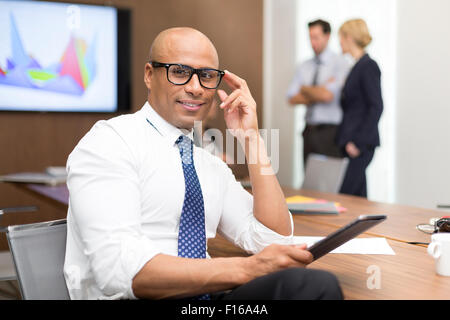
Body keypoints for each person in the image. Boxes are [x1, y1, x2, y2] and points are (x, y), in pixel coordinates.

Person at [63, 27, 343, 300]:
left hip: (202, 301)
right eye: (180, 72)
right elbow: (118, 272)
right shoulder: (111, 142)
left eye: (207, 76)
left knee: (311, 285)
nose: (196, 88)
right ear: (150, 75)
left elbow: (274, 241)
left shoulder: (207, 164)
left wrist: (251, 138)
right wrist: (250, 269)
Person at [287, 19, 351, 166]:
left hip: (330, 134)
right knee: (309, 182)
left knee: (329, 183)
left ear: (327, 36)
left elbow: (327, 95)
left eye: (316, 37)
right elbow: (291, 97)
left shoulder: (340, 63)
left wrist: (304, 89)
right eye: (310, 37)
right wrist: (318, 90)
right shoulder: (304, 65)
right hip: (309, 132)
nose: (312, 42)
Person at [336, 19, 383, 197]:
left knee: (345, 195)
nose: (339, 42)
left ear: (348, 37)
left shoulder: (368, 66)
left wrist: (358, 142)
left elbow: (376, 106)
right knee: (358, 197)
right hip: (350, 142)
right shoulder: (356, 66)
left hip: (360, 144)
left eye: (340, 37)